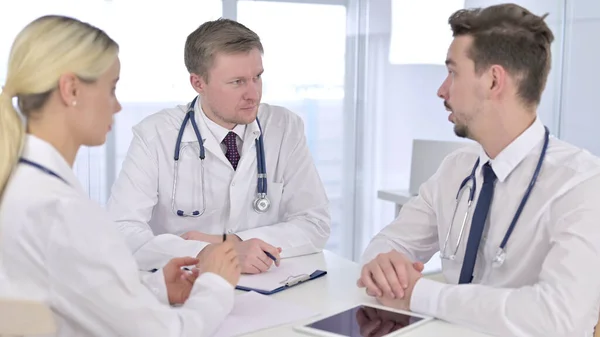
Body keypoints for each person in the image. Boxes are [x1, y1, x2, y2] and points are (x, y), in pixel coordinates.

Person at [357, 4, 600, 337]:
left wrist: (420, 294)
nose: (441, 90)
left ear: (493, 80)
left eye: (453, 72)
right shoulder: (456, 168)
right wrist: (384, 266)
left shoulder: (582, 183)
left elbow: (560, 318)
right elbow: (387, 244)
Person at [0, 15, 241, 336]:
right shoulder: (62, 211)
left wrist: (153, 288)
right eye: (111, 89)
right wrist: (216, 284)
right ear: (71, 89)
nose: (117, 107)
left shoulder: (19, 185)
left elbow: (62, 288)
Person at [106, 18, 331, 275]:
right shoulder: (155, 135)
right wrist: (205, 253)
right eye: (237, 82)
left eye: (257, 77)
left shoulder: (285, 127)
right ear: (198, 83)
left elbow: (315, 223)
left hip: (268, 286)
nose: (253, 94)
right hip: (185, 285)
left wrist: (231, 242)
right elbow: (121, 229)